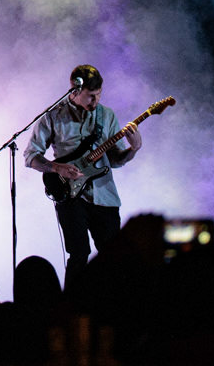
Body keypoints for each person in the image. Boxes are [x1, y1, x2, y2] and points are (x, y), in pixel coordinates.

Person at [24, 63, 143, 286]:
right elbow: (30, 156)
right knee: (79, 255)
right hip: (69, 195)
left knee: (114, 258)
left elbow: (115, 161)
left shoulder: (106, 116)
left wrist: (133, 149)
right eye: (90, 96)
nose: (95, 101)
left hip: (104, 196)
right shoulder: (54, 116)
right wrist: (56, 167)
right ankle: (71, 305)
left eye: (99, 94)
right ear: (74, 90)